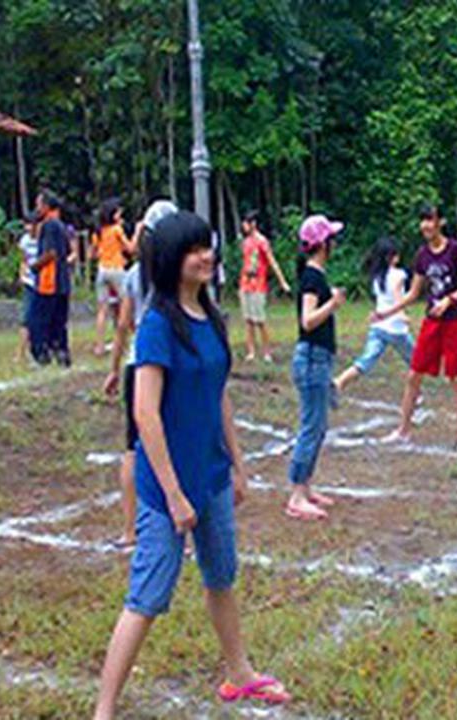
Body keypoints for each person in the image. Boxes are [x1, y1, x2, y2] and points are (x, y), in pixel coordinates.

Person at [93, 211, 289, 718]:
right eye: (194, 249)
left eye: (208, 247)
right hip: (167, 491)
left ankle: (239, 673)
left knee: (221, 575)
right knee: (148, 595)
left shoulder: (211, 316)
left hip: (212, 477)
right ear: (172, 260)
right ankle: (104, 709)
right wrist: (174, 494)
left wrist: (238, 466)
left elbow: (218, 397)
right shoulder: (158, 324)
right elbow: (144, 413)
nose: (206, 256)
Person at [103, 199, 178, 548]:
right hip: (170, 362)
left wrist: (114, 369)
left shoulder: (134, 275)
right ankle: (183, 527)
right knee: (175, 444)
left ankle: (130, 531)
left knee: (134, 448)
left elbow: (123, 325)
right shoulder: (178, 272)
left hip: (138, 363)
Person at [375, 204, 457, 456]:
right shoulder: (422, 255)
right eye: (422, 221)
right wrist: (387, 312)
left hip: (455, 320)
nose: (425, 226)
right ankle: (403, 431)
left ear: (440, 222)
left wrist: (449, 300)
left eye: (430, 220)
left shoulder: (454, 250)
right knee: (414, 376)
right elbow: (413, 293)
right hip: (432, 322)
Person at [286, 215, 346, 521]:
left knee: (319, 427)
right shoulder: (312, 278)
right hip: (311, 359)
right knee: (311, 427)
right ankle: (296, 495)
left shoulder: (316, 275)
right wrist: (333, 304)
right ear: (322, 244)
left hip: (318, 359)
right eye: (331, 238)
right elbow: (307, 321)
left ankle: (306, 487)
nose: (335, 243)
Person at [332, 237, 414, 395]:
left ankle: (340, 381)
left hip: (378, 327)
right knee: (417, 362)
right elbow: (398, 298)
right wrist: (402, 314)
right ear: (390, 257)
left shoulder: (378, 277)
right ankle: (414, 395)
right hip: (396, 329)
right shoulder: (398, 275)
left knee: (366, 360)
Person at [237, 210, 291, 363]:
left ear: (253, 224)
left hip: (258, 285)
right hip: (245, 284)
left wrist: (282, 282)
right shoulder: (245, 242)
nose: (244, 226)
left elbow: (272, 262)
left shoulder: (262, 241)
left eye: (246, 223)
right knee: (248, 320)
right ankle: (251, 351)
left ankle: (267, 352)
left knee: (260, 320)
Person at [29, 190, 72, 366]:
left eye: (39, 204)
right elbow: (67, 251)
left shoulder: (49, 225)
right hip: (63, 281)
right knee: (59, 321)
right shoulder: (62, 226)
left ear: (46, 206)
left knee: (37, 319)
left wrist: (35, 266)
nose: (37, 208)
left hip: (49, 281)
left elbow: (50, 253)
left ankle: (41, 354)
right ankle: (61, 352)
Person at [92, 198, 134, 355]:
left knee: (102, 310)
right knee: (126, 306)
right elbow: (130, 248)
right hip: (116, 269)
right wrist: (136, 233)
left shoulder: (99, 231)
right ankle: (128, 343)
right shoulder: (117, 229)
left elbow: (93, 253)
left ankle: (100, 346)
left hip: (102, 269)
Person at [15, 213, 40, 362]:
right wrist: (22, 274)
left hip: (43, 282)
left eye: (31, 224)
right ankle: (20, 353)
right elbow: (23, 260)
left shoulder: (44, 239)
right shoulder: (24, 240)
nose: (28, 228)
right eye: (26, 225)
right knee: (26, 318)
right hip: (30, 282)